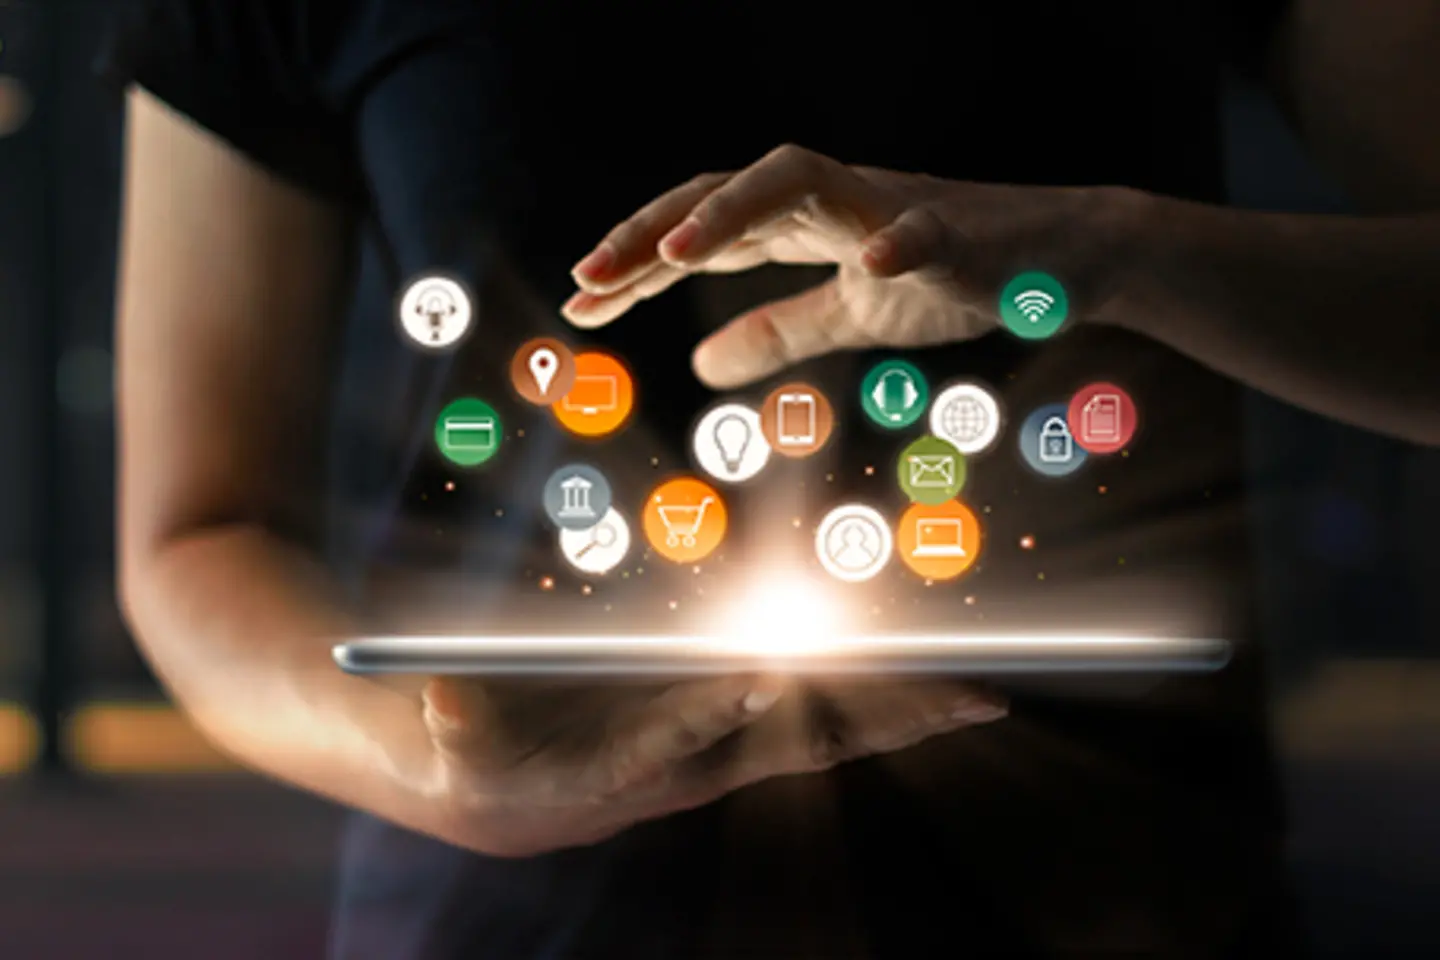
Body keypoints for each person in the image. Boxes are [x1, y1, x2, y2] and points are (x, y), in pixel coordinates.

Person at [99, 1, 1439, 957]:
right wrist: (431, 766)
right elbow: (200, 531)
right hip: (522, 919)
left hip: (1113, 891)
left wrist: (1106, 248)